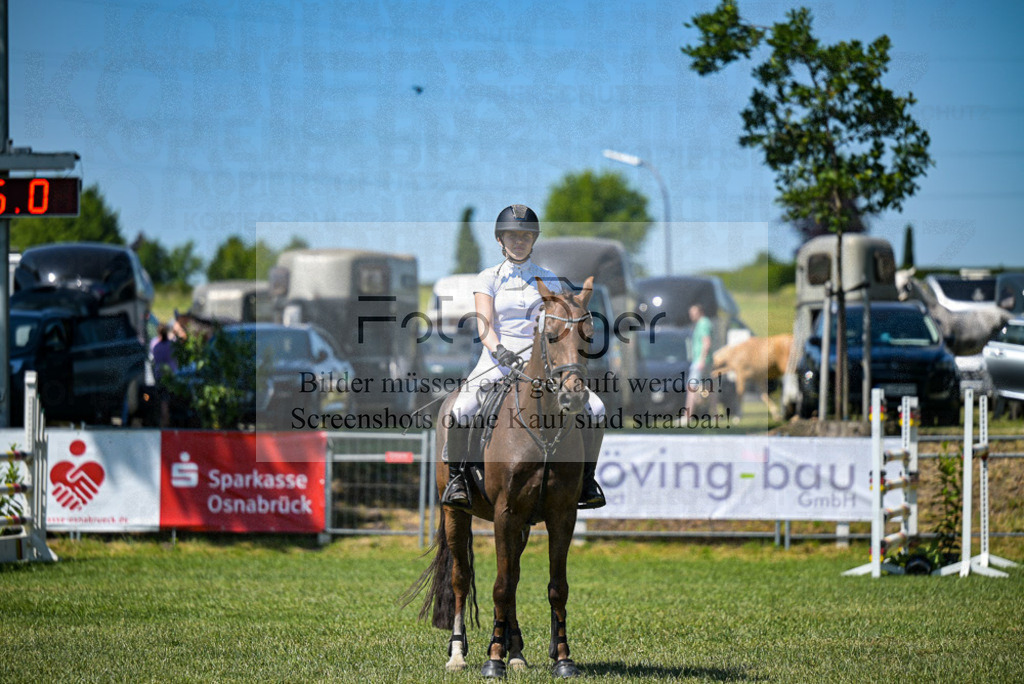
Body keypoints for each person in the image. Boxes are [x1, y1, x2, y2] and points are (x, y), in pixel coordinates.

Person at [442, 204, 606, 511]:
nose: (520, 241)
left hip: (539, 362)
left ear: (534, 240)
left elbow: (557, 323)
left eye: (526, 236)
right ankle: (458, 480)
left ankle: (586, 480)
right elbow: (484, 326)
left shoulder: (548, 278)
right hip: (495, 358)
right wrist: (499, 350)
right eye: (512, 236)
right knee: (461, 409)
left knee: (596, 408)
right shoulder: (488, 277)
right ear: (500, 240)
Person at [685, 303, 714, 419]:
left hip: (700, 360)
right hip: (704, 360)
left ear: (700, 312)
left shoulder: (703, 324)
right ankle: (715, 413)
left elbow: (707, 343)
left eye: (694, 313)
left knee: (691, 387)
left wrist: (702, 360)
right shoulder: (703, 323)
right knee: (709, 388)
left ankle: (687, 416)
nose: (691, 315)